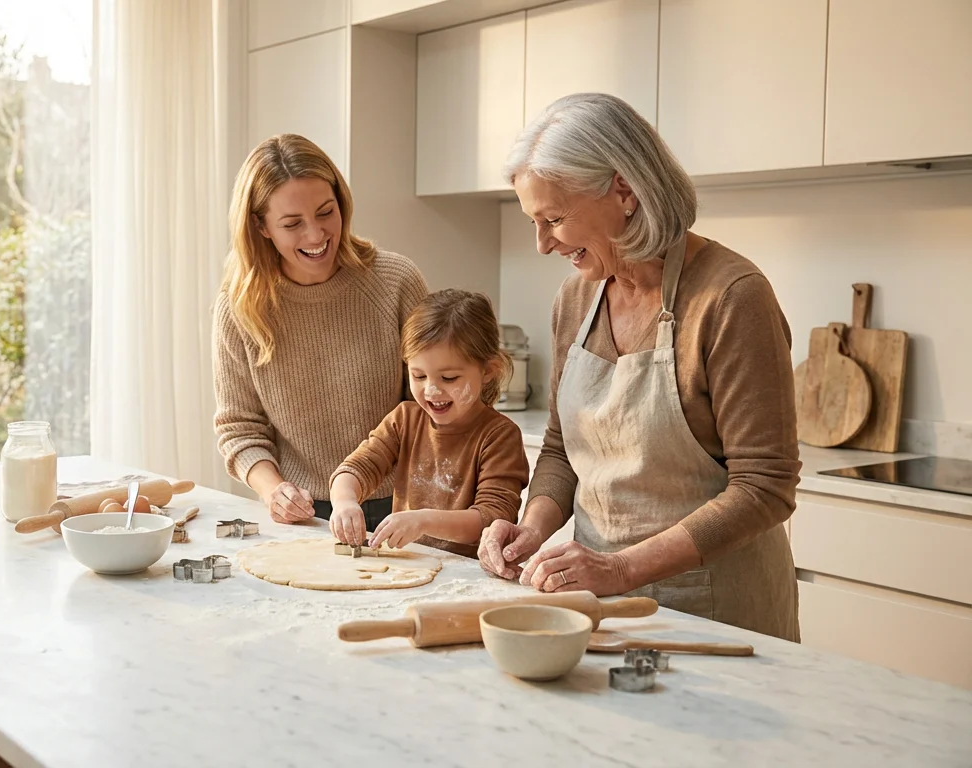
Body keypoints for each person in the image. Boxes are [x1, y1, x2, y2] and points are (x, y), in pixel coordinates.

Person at [478, 93, 801, 641]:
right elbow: (561, 449)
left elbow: (765, 487)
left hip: (716, 617)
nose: (541, 244)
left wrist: (622, 568)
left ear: (623, 190)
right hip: (598, 608)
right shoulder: (576, 300)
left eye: (553, 219)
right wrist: (532, 529)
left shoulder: (730, 297)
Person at [214, 133, 429, 531]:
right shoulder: (240, 308)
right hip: (302, 514)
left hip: (401, 508)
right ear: (261, 226)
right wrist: (273, 490)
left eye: (326, 212)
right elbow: (239, 427)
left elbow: (428, 405)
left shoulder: (395, 281)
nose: (315, 236)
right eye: (292, 224)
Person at [329, 289, 529, 557]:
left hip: (468, 577)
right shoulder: (405, 420)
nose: (431, 391)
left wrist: (422, 521)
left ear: (488, 372)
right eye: (419, 376)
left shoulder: (499, 436)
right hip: (409, 566)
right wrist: (345, 502)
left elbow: (492, 517)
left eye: (448, 378)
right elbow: (356, 468)